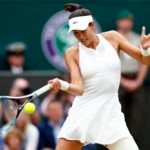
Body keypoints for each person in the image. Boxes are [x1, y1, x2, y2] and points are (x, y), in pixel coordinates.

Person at [48, 3, 150, 150]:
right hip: (83, 114)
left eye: (83, 31)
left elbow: (145, 60)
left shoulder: (113, 38)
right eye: (76, 33)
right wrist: (62, 84)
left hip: (111, 113)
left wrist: (146, 50)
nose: (80, 36)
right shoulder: (72, 53)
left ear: (92, 25)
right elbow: (78, 88)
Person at [116, 10, 148, 143]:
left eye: (129, 20)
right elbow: (110, 63)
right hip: (117, 80)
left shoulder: (137, 39)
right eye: (123, 20)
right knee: (117, 114)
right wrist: (122, 81)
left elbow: (144, 62)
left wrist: (138, 81)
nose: (126, 23)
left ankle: (134, 145)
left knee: (136, 117)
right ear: (118, 22)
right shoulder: (113, 38)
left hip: (135, 80)